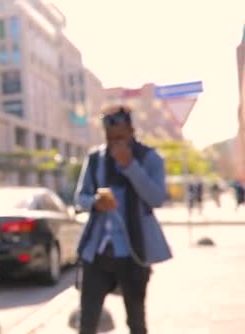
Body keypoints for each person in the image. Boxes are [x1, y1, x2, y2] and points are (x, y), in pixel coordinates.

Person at [74, 106, 172, 334]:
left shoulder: (150, 158)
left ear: (131, 131)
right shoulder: (96, 158)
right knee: (87, 321)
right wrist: (94, 202)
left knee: (136, 321)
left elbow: (157, 198)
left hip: (133, 252)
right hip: (98, 251)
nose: (114, 143)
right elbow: (80, 198)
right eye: (109, 138)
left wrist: (130, 165)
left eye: (120, 137)